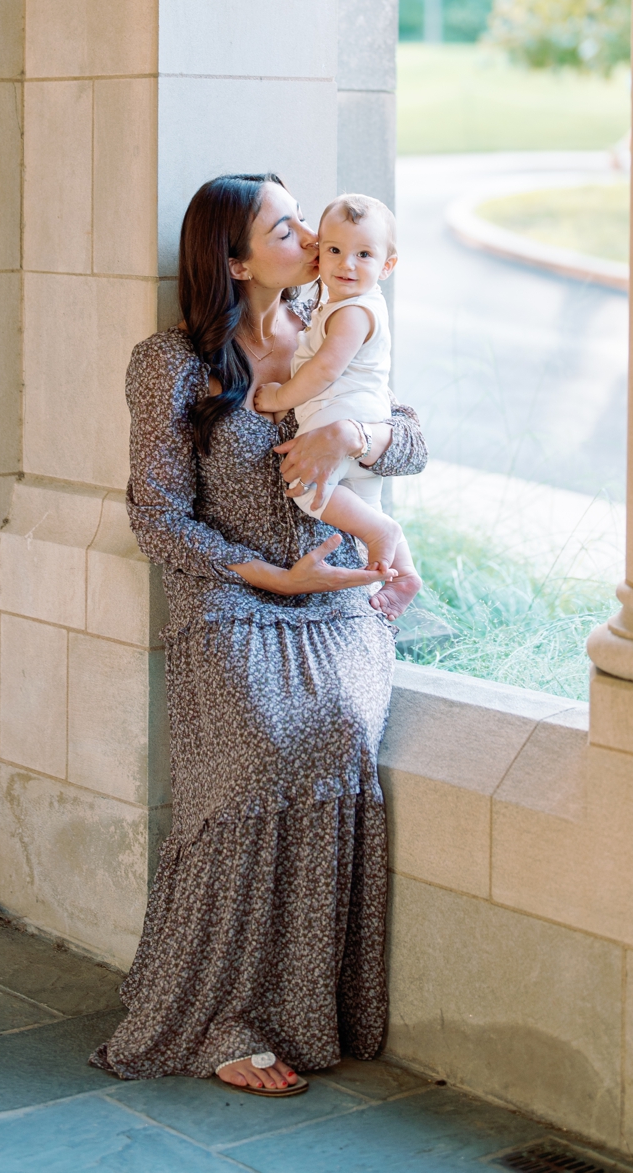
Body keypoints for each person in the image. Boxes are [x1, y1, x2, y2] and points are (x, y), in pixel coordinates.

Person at [90, 172, 426, 1096]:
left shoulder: (340, 318)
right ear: (237, 261)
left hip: (334, 604)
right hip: (235, 595)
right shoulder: (172, 362)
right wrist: (272, 574)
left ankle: (308, 1007)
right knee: (258, 753)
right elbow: (155, 517)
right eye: (289, 228)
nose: (316, 241)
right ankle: (221, 1017)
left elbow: (413, 442)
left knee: (337, 737)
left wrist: (350, 435)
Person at [253, 192, 418, 602]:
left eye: (364, 254)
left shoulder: (352, 313)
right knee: (365, 505)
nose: (346, 264)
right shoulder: (340, 306)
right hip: (360, 419)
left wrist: (279, 397)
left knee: (308, 487)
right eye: (335, 250)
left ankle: (382, 532)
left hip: (342, 414)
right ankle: (404, 574)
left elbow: (324, 369)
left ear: (388, 266)